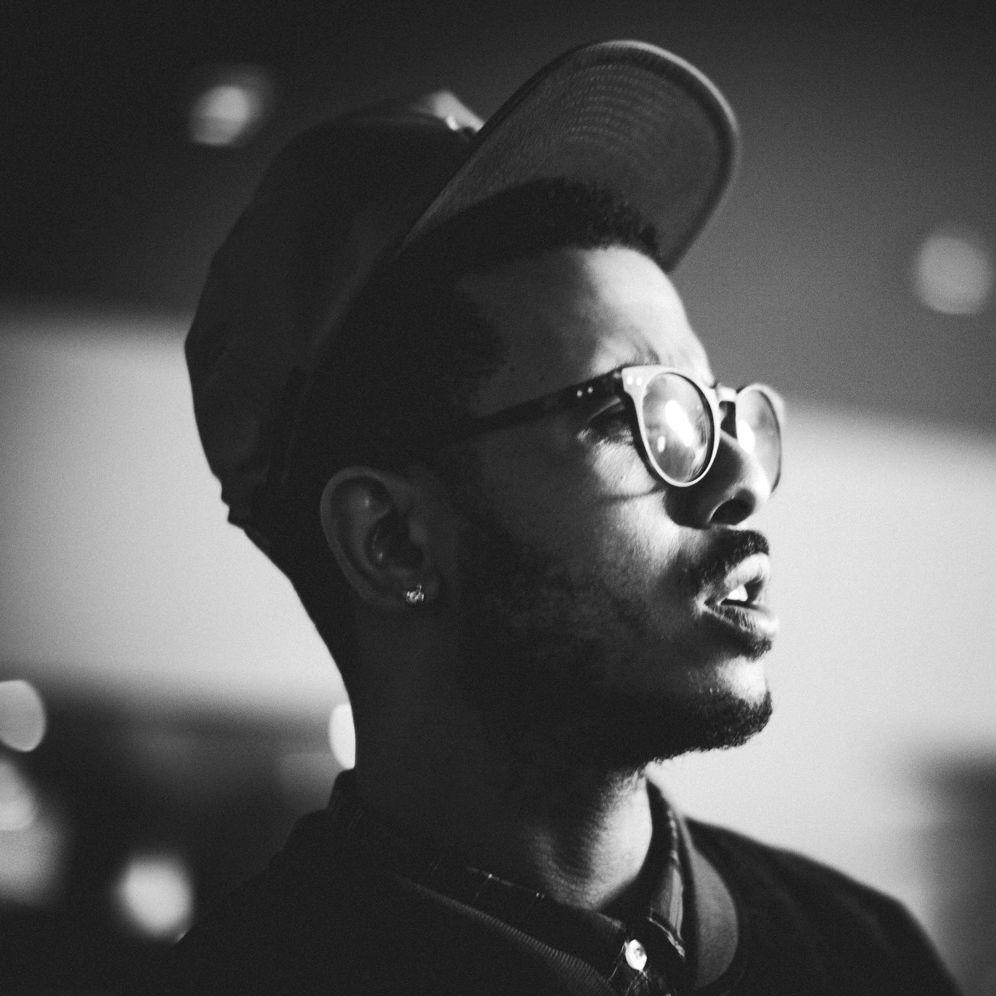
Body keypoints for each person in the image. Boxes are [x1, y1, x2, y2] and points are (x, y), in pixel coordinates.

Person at [138, 40, 960, 994]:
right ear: (393, 540)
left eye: (716, 409)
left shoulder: (866, 951)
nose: (743, 478)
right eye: (640, 414)